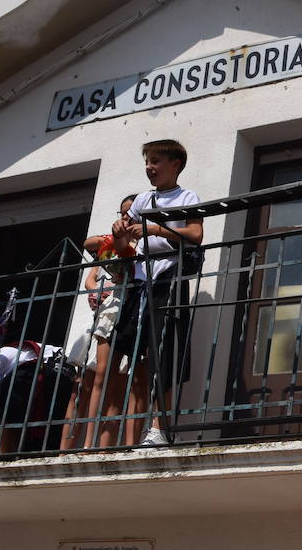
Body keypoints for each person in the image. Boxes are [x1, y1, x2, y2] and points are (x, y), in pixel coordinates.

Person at [111, 140, 202, 446]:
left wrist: (156, 230)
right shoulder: (142, 200)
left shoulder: (187, 196)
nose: (149, 168)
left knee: (163, 356)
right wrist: (119, 235)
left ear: (175, 164)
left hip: (169, 280)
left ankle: (157, 429)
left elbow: (196, 235)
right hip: (140, 283)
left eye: (156, 161)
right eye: (147, 162)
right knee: (133, 358)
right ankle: (129, 437)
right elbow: (124, 248)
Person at [64, 194, 137, 449]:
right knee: (92, 379)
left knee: (118, 381)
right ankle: (82, 445)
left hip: (129, 308)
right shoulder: (111, 244)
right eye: (122, 213)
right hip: (108, 309)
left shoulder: (144, 243)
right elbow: (89, 253)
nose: (126, 217)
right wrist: (96, 291)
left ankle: (101, 446)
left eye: (130, 213)